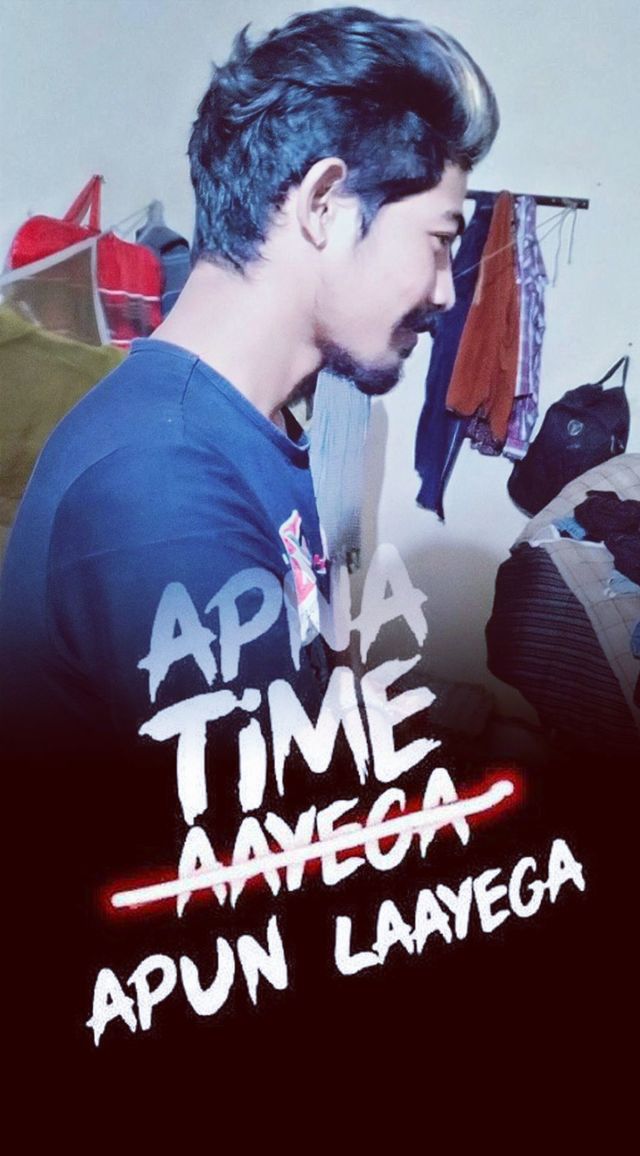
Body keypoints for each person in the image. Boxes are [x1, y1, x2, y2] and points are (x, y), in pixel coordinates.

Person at [0, 6, 498, 1086]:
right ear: (324, 204)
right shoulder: (165, 482)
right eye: (439, 241)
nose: (447, 291)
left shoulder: (246, 429)